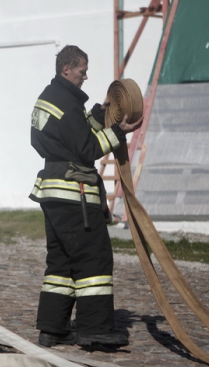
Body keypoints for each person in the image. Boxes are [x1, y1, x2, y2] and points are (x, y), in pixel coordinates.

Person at [29, 45, 142, 348]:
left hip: (53, 192)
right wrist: (118, 131)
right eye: (82, 71)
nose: (86, 76)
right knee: (93, 259)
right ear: (66, 69)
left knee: (62, 262)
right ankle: (95, 329)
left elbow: (69, 136)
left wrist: (98, 116)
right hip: (74, 195)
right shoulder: (66, 103)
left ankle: (52, 329)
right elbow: (87, 149)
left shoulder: (49, 98)